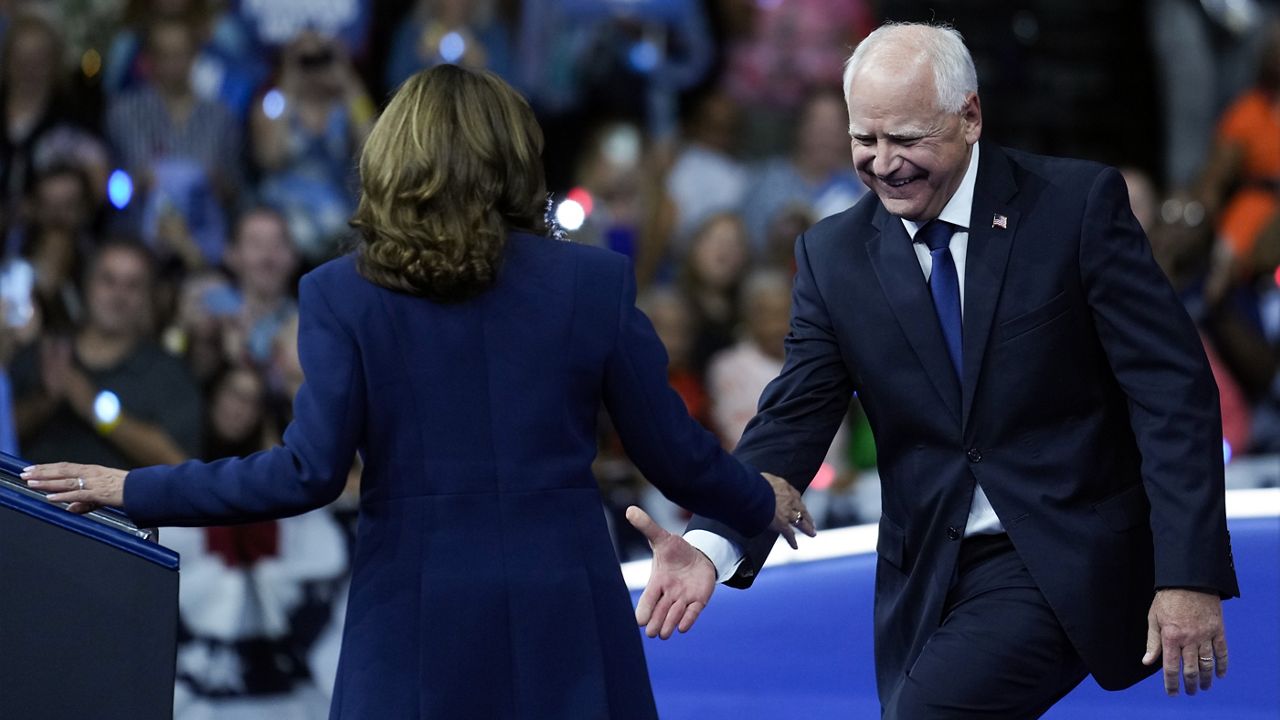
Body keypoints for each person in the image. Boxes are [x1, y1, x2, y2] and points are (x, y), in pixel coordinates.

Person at [22, 64, 812, 718]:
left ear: (393, 157)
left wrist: (137, 488)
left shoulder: (340, 293)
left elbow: (306, 472)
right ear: (513, 156)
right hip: (566, 620)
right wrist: (760, 501)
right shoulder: (592, 281)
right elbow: (675, 455)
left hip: (412, 626)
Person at [631, 22, 1240, 718]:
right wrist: (712, 541)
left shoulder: (1072, 209)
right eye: (867, 140)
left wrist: (1189, 574)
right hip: (925, 575)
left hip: (1064, 554)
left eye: (907, 139)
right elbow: (792, 418)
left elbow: (1173, 392)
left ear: (970, 116)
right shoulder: (834, 257)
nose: (884, 163)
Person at [10, 239, 201, 469]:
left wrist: (96, 410)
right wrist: (44, 400)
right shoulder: (46, 352)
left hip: (108, 505)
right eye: (108, 280)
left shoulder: (168, 373)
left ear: (147, 296)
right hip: (23, 499)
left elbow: (181, 466)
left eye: (133, 285)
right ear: (87, 285)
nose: (119, 295)